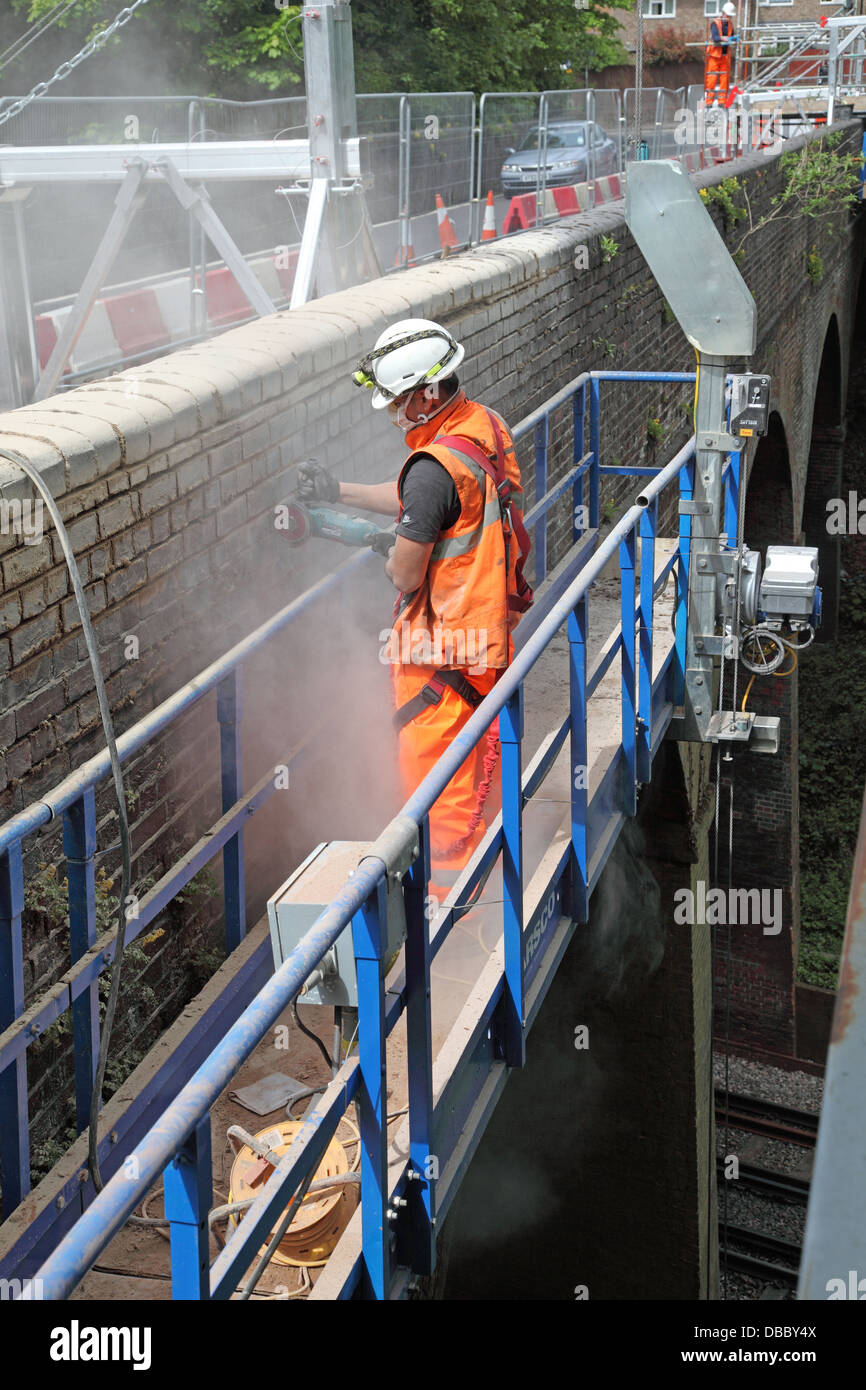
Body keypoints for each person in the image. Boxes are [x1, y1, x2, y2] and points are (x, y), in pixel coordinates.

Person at [296, 318, 532, 900]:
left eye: (397, 399)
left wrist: (390, 548)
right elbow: (417, 499)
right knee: (481, 775)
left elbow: (406, 567)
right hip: (485, 639)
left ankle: (451, 923)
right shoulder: (480, 428)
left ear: (427, 392)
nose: (392, 411)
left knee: (441, 800)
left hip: (441, 659)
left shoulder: (433, 469)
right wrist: (337, 492)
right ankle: (482, 887)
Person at [705, 2, 737, 107]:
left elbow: (732, 36)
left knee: (725, 79)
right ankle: (709, 102)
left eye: (730, 16)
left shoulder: (730, 25)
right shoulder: (715, 23)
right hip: (714, 55)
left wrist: (736, 39)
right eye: (728, 16)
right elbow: (715, 37)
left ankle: (722, 101)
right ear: (723, 13)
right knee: (712, 79)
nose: (729, 18)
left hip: (724, 55)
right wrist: (727, 39)